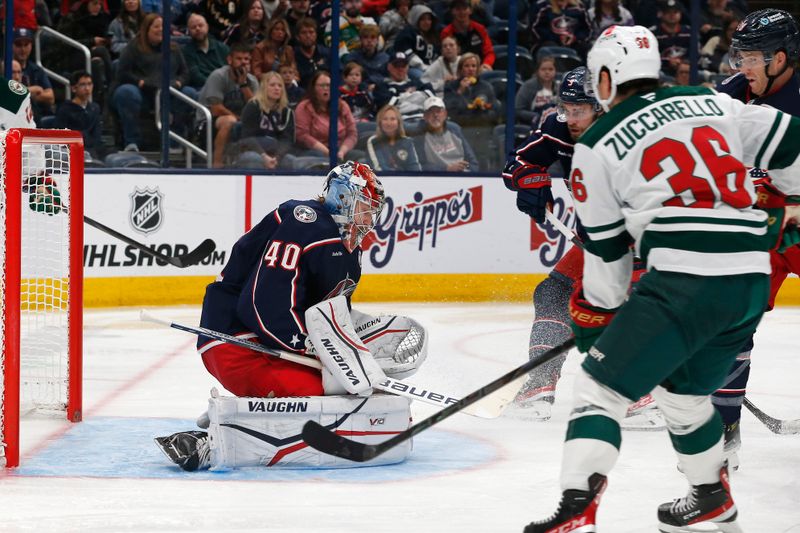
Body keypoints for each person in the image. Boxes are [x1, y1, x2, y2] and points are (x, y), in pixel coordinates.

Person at [523, 25, 800, 533]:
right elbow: (793, 143)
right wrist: (793, 203)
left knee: (600, 392)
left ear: (606, 77)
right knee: (683, 396)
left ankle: (576, 510)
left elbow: (606, 264)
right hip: (749, 278)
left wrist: (594, 321)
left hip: (684, 278)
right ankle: (710, 497)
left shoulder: (597, 144)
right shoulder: (710, 101)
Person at [153, 163, 424, 471]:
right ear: (343, 198)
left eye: (372, 211)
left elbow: (328, 313)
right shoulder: (303, 223)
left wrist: (358, 346)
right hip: (236, 340)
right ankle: (210, 444)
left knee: (348, 392)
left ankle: (239, 412)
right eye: (364, 207)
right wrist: (316, 350)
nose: (369, 218)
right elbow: (260, 305)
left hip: (272, 344)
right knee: (319, 398)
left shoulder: (347, 249)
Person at [712, 8, 800, 470]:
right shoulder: (731, 95)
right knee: (732, 323)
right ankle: (724, 431)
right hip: (761, 231)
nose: (740, 67)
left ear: (780, 58)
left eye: (750, 57)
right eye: (739, 55)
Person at [111, 13, 193, 152]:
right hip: (144, 93)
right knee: (126, 92)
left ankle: (174, 141)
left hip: (169, 91)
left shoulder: (174, 48)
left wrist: (178, 83)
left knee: (190, 93)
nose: (160, 29)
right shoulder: (134, 47)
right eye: (156, 26)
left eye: (163, 26)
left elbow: (185, 73)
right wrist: (140, 82)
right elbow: (123, 72)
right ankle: (132, 142)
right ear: (146, 29)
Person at [197, 42, 259, 167]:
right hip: (208, 123)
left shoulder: (252, 80)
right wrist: (238, 119)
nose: (243, 62)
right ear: (230, 60)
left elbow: (256, 108)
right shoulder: (218, 76)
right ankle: (217, 163)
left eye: (246, 59)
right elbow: (216, 109)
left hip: (239, 121)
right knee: (229, 121)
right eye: (239, 59)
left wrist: (243, 85)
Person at [443, 52, 500, 170]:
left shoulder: (486, 87)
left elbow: (495, 112)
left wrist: (484, 109)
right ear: (460, 69)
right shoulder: (451, 86)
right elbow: (449, 111)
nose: (470, 69)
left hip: (481, 129)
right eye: (467, 66)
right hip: (460, 130)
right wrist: (460, 91)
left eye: (473, 66)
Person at [294, 70, 361, 162]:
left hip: (340, 150)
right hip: (315, 150)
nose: (326, 88)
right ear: (314, 88)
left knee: (361, 157)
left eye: (329, 85)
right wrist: (328, 152)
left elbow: (352, 134)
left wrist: (342, 152)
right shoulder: (304, 107)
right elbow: (302, 135)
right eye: (322, 85)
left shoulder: (342, 105)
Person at [238, 71, 296, 169]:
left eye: (280, 86)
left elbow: (287, 140)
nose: (277, 88)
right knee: (253, 159)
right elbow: (247, 137)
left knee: (290, 160)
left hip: (276, 152)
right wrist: (264, 156)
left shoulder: (287, 112)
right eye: (272, 85)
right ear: (264, 88)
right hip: (253, 150)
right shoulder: (253, 106)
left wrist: (277, 157)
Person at [413, 95, 477, 172]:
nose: (435, 115)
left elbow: (472, 162)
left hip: (462, 175)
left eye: (438, 111)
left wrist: (467, 168)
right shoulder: (419, 133)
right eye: (431, 112)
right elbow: (420, 165)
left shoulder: (455, 129)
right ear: (425, 117)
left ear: (445, 114)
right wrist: (446, 169)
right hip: (437, 178)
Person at [54, 71, 105, 159]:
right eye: (83, 85)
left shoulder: (95, 108)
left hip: (92, 150)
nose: (87, 88)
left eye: (89, 84)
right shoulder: (64, 109)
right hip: (72, 151)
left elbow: (97, 135)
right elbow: (61, 136)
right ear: (74, 88)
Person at [12, 28, 55, 124]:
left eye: (26, 45)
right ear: (12, 46)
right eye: (19, 45)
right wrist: (33, 90)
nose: (23, 49)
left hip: (37, 115)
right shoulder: (6, 67)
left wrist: (25, 93)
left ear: (31, 46)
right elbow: (10, 94)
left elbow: (50, 97)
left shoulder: (36, 69)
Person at [440, 0, 494, 73]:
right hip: (457, 70)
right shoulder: (446, 32)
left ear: (470, 10)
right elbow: (446, 57)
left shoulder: (480, 29)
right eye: (458, 9)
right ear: (453, 11)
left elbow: (489, 52)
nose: (461, 12)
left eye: (464, 8)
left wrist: (486, 64)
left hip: (479, 68)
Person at [182, 13, 230, 91]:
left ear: (207, 27)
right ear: (189, 31)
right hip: (202, 89)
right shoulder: (186, 51)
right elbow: (196, 76)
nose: (197, 29)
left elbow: (231, 70)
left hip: (225, 87)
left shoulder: (223, 48)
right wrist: (215, 85)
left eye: (200, 25)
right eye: (193, 27)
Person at [366, 104, 421, 171]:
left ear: (398, 122)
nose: (389, 123)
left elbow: (414, 166)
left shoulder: (408, 141)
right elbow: (378, 168)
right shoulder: (373, 141)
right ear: (380, 122)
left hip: (407, 180)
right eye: (385, 119)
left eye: (392, 119)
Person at [650, 0, 693, 77]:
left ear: (680, 14)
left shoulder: (689, 32)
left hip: (686, 69)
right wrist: (667, 62)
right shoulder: (652, 33)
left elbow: (696, 53)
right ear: (661, 14)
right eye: (668, 12)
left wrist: (684, 62)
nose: (672, 15)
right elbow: (649, 56)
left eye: (675, 12)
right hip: (662, 71)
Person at [515, 56, 559, 128]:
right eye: (543, 69)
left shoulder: (558, 88)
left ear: (555, 71)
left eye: (550, 69)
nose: (547, 72)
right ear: (537, 71)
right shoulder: (528, 86)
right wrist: (537, 116)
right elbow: (518, 110)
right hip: (530, 124)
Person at [293, 17, 330, 89]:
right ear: (297, 37)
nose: (308, 36)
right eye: (304, 33)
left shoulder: (327, 53)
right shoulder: (292, 55)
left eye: (311, 32)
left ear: (316, 34)